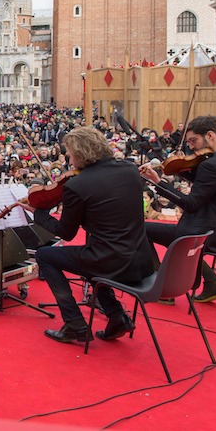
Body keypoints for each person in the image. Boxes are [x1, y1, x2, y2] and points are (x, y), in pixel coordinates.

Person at [32, 126, 154, 343]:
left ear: (79, 153)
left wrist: (39, 214)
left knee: (45, 255)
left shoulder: (78, 185)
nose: (67, 157)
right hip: (142, 260)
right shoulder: (129, 169)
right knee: (89, 253)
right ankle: (117, 316)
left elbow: (66, 233)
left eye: (68, 153)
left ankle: (75, 323)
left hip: (112, 262)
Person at [140, 114, 216, 302]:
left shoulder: (211, 165)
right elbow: (215, 185)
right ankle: (213, 282)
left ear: (210, 135)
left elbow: (190, 204)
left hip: (206, 235)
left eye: (193, 141)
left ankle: (163, 286)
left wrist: (158, 182)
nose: (191, 147)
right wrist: (182, 169)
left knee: (142, 229)